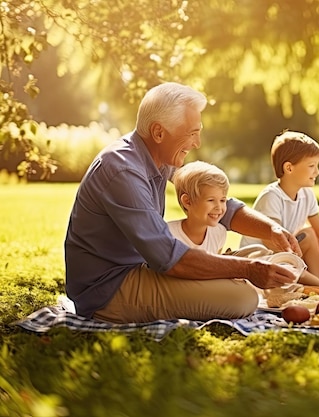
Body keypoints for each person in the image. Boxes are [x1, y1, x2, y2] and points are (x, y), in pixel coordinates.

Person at [64, 82, 301, 324]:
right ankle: (239, 281)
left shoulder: (160, 156)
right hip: (110, 288)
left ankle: (239, 275)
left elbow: (215, 201)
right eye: (192, 133)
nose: (197, 142)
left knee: (259, 253)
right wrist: (248, 270)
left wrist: (270, 229)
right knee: (244, 298)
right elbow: (170, 258)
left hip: (145, 268)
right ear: (158, 133)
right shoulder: (123, 170)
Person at [240, 130, 319, 285]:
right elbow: (271, 242)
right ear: (289, 168)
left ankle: (316, 268)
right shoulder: (271, 197)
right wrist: (297, 258)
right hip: (266, 257)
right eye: (311, 166)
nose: (317, 172)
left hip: (289, 250)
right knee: (308, 234)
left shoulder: (306, 193)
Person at [167, 161, 230, 254]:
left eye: (222, 200)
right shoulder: (168, 234)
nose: (218, 207)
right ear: (187, 201)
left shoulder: (219, 233)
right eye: (211, 200)